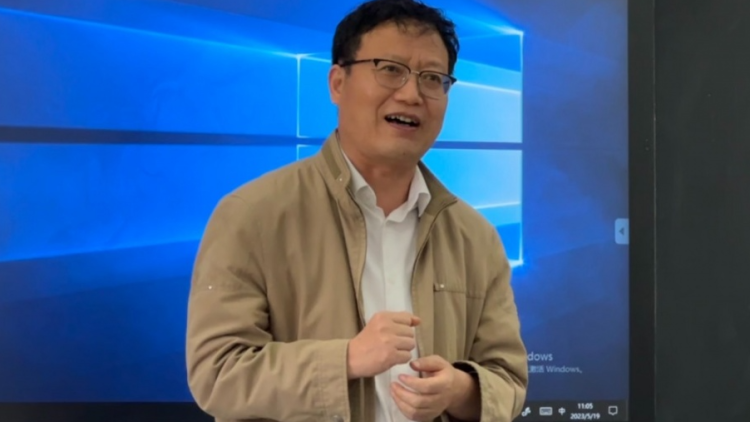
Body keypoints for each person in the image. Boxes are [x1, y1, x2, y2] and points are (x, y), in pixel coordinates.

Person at [185, 0, 528, 421]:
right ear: (337, 83)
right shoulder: (252, 215)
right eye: (390, 69)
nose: (411, 94)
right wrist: (345, 359)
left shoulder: (475, 237)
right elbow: (217, 373)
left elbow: (508, 379)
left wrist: (460, 389)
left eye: (432, 78)